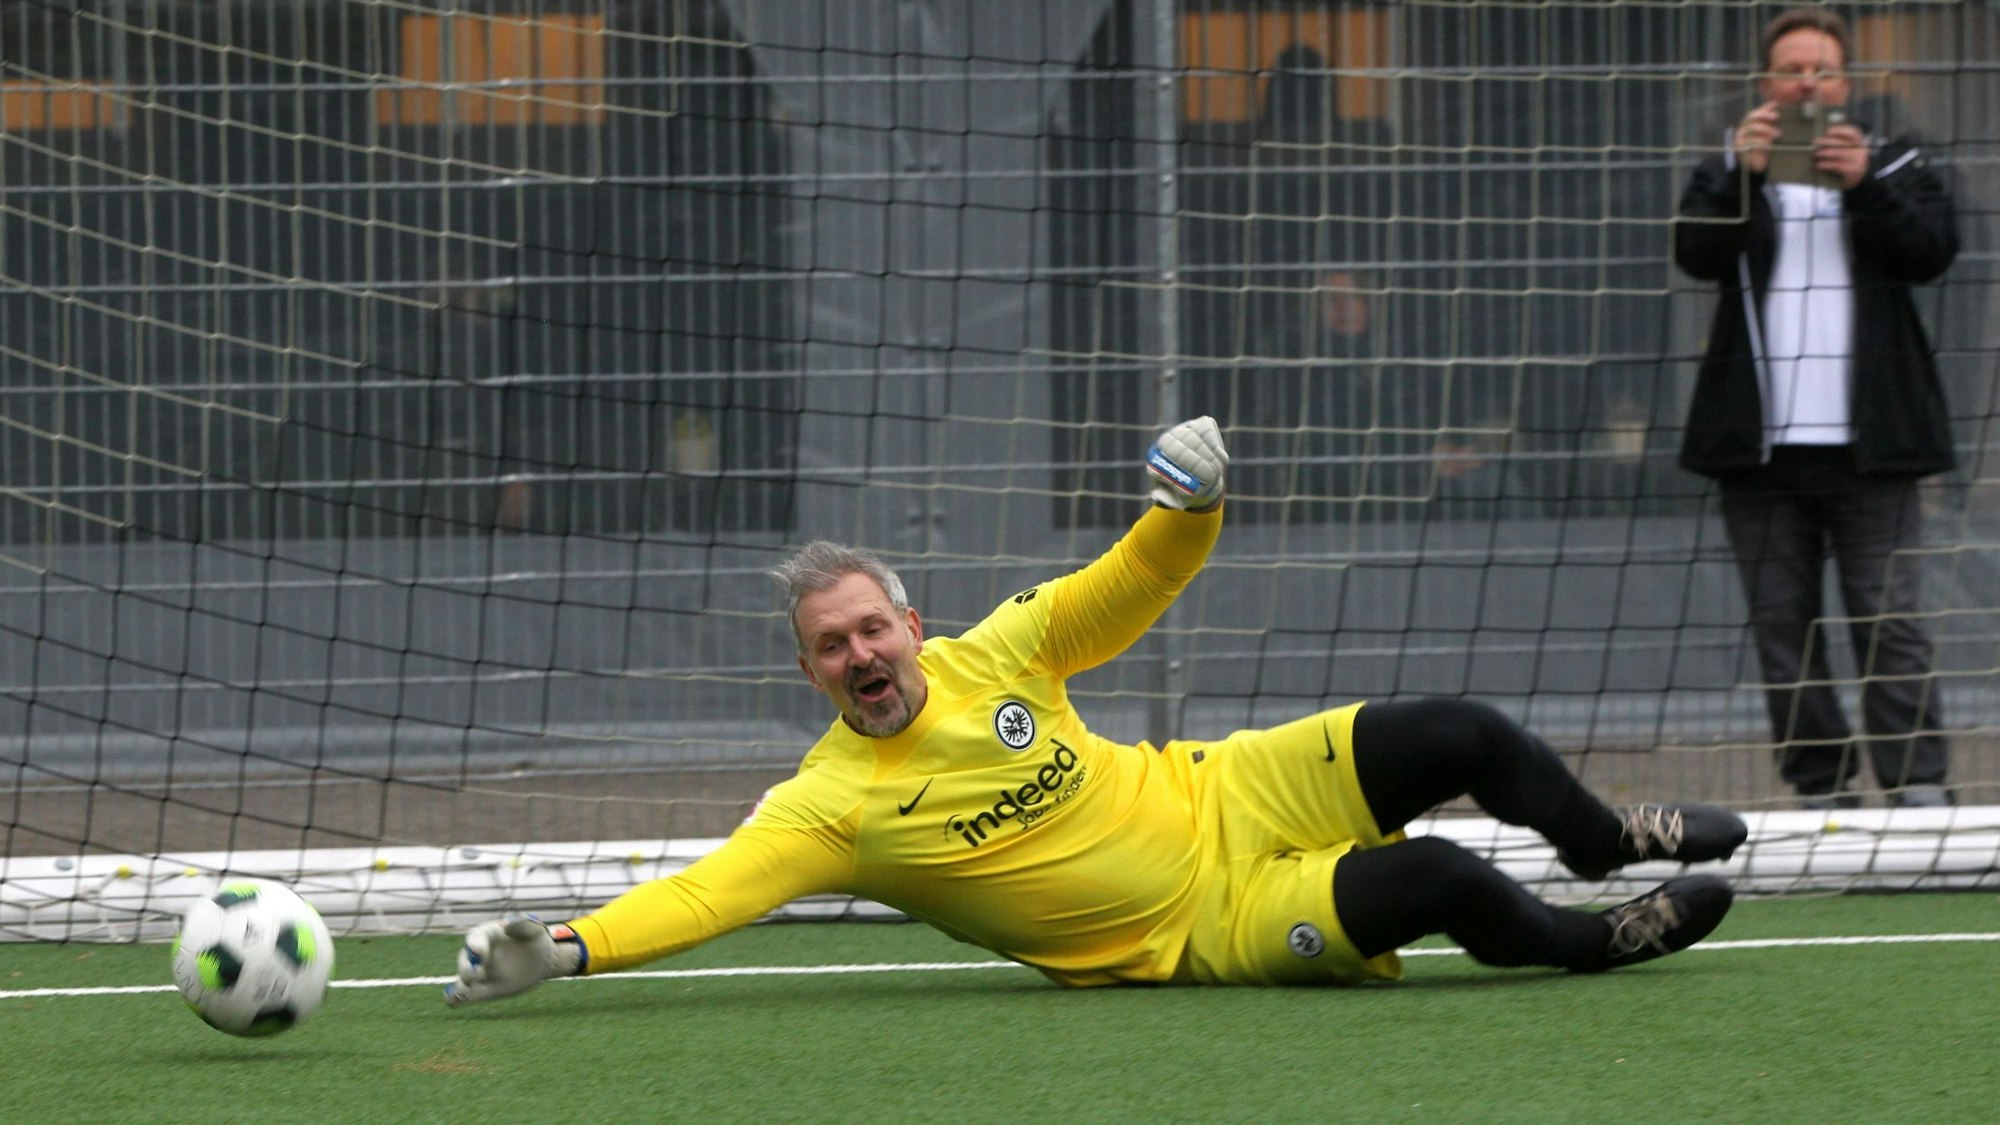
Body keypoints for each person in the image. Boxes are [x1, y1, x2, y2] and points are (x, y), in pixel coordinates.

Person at [444, 417, 1747, 1004]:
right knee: (1441, 874)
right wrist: (565, 946)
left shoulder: (1003, 652)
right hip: (1206, 924)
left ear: (913, 624)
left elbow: (1132, 583)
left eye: (872, 628)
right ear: (814, 675)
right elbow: (707, 893)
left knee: (1460, 728)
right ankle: (1592, 942)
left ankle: (1599, 841)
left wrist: (1188, 502)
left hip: (1225, 790)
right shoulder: (831, 809)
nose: (859, 655)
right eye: (831, 647)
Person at [1673, 7, 1958, 810]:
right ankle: (1822, 789)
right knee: (1783, 631)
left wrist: (1863, 183)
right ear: (1765, 85)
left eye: (1822, 70)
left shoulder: (1896, 160)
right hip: (1758, 452)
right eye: (1791, 70)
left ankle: (1917, 787)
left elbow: (1933, 251)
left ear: (1847, 83)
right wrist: (1745, 175)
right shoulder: (1729, 162)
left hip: (1876, 448)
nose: (1806, 83)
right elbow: (1694, 250)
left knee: (1889, 621)